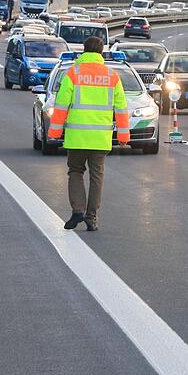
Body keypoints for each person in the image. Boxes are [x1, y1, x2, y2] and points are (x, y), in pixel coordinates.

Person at [48, 35, 129, 231]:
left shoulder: (72, 73)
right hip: (100, 138)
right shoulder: (112, 76)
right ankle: (92, 218)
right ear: (102, 52)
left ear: (84, 50)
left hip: (76, 136)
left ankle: (78, 209)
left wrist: (55, 132)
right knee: (96, 177)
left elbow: (60, 106)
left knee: (75, 171)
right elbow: (121, 108)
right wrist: (124, 136)